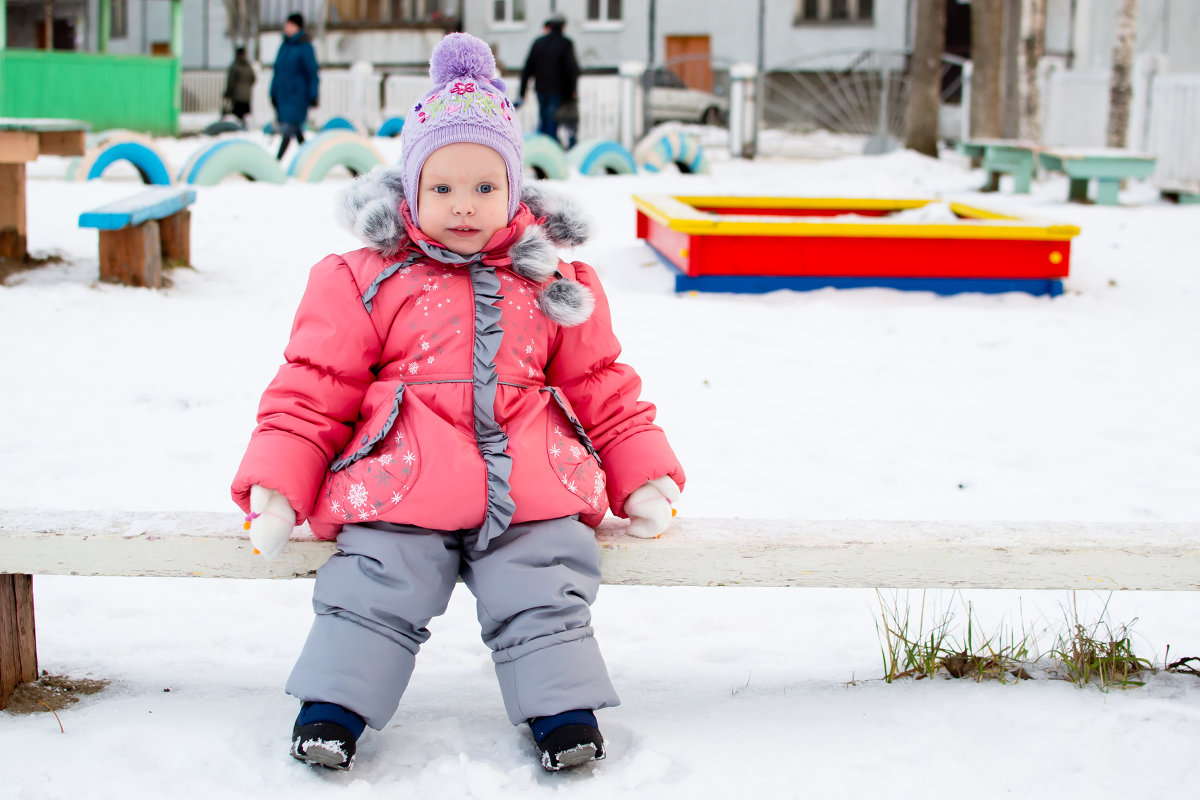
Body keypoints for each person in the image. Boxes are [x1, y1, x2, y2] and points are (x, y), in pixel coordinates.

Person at [232, 32, 684, 774]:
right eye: (441, 188)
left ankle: (561, 711)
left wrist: (642, 474)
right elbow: (314, 389)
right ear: (410, 189)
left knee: (544, 578)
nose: (464, 206)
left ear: (516, 191)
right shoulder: (365, 278)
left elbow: (600, 381)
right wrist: (280, 486)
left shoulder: (554, 282)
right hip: (402, 480)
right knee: (378, 578)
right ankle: (334, 709)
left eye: (484, 187)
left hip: (531, 482)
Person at [517, 15, 580, 148]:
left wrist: (522, 92)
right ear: (563, 27)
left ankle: (543, 150)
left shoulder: (539, 42)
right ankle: (550, 152)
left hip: (541, 90)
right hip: (558, 92)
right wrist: (572, 92)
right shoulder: (566, 43)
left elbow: (527, 69)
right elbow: (571, 70)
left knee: (545, 121)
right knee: (552, 125)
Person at [269, 13, 319, 160]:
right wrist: (273, 92)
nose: (286, 27)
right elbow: (277, 72)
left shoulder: (305, 47)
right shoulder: (284, 47)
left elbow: (312, 72)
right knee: (295, 130)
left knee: (288, 129)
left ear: (297, 27)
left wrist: (313, 94)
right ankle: (309, 160)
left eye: (290, 25)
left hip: (298, 96)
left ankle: (276, 161)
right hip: (283, 96)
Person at [223, 47, 256, 128]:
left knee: (237, 116)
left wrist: (227, 94)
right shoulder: (248, 66)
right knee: (245, 115)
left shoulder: (235, 66)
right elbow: (253, 78)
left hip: (237, 95)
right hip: (247, 96)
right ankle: (245, 128)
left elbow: (231, 82)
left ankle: (238, 130)